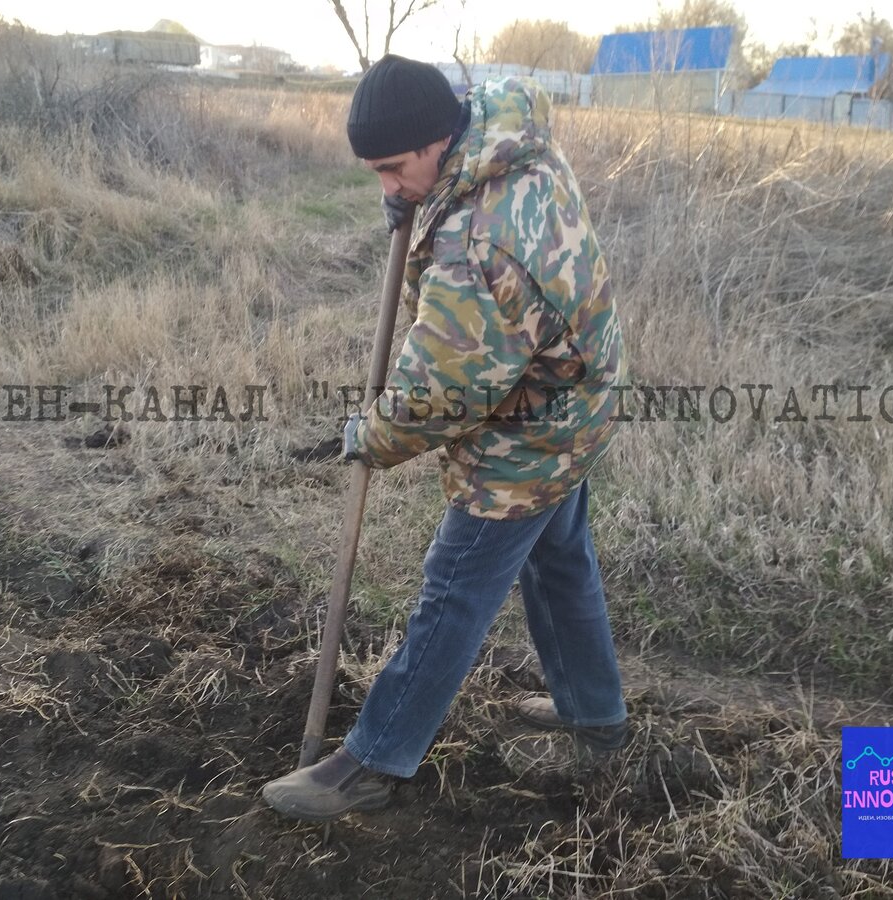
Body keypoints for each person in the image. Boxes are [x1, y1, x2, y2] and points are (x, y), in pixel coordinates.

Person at [262, 55, 630, 822]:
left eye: (394, 169)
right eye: (374, 173)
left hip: (532, 431)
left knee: (455, 587)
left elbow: (442, 394)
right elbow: (444, 198)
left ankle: (376, 759)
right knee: (559, 561)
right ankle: (595, 717)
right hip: (578, 393)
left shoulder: (477, 246)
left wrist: (368, 434)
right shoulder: (505, 129)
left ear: (438, 139)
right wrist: (416, 206)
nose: (387, 188)